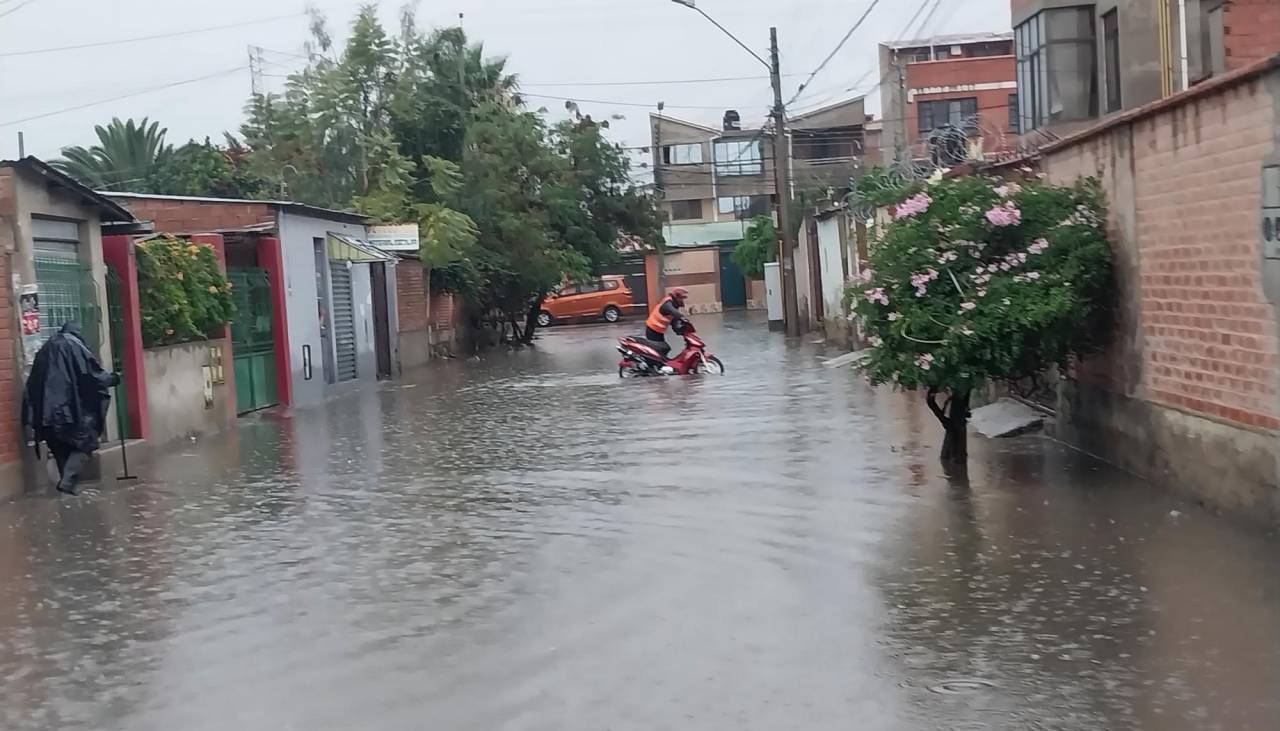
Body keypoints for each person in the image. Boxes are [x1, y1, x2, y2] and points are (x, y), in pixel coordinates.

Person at [23, 323, 120, 495]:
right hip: (65, 411)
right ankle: (67, 481)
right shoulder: (73, 345)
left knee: (60, 448)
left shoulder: (44, 350)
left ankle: (67, 488)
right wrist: (111, 379)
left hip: (44, 415)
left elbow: (31, 385)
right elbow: (90, 374)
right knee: (87, 441)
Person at [644, 287, 690, 356]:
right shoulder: (667, 303)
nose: (682, 300)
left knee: (662, 350)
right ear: (676, 296)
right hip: (652, 330)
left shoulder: (674, 306)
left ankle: (659, 364)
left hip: (658, 331)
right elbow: (673, 312)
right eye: (681, 298)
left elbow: (674, 322)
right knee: (661, 350)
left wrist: (682, 331)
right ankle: (653, 365)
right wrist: (682, 317)